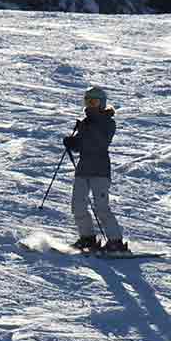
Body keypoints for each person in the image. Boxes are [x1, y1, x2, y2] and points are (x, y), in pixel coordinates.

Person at [62, 86, 127, 255]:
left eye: (94, 102)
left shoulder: (107, 122)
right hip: (83, 169)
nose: (90, 105)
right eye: (88, 101)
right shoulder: (85, 123)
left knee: (101, 207)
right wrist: (72, 143)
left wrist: (87, 128)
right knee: (78, 205)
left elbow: (101, 143)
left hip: (100, 170)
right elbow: (82, 145)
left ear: (101, 103)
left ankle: (115, 241)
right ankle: (88, 237)